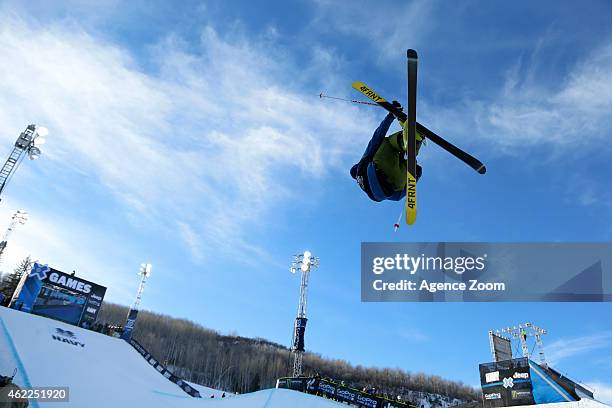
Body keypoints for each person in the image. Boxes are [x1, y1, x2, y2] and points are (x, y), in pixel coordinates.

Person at [350, 101, 424, 202]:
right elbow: (377, 137)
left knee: (406, 158)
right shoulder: (363, 164)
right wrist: (391, 115)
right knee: (386, 142)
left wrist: (416, 175)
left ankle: (417, 139)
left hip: (397, 183)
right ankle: (408, 139)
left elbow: (398, 197)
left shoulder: (369, 190)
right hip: (382, 166)